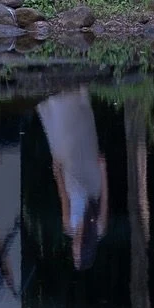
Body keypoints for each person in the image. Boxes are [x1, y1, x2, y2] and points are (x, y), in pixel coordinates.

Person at [36, 86, 108, 270]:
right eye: (76, 253)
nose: (73, 249)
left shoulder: (69, 226)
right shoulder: (98, 228)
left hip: (72, 181)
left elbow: (64, 198)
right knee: (80, 136)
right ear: (84, 249)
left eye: (74, 253)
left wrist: (57, 173)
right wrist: (103, 170)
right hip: (91, 182)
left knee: (66, 139)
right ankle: (78, 97)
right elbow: (105, 199)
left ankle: (60, 99)